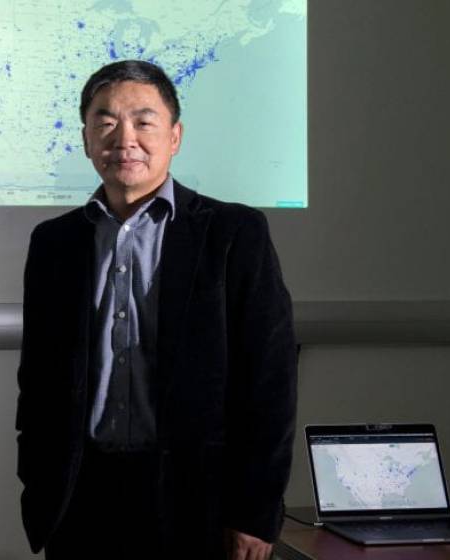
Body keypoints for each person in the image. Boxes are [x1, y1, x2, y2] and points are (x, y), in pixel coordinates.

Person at [16, 59, 297, 560]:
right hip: (83, 500)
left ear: (175, 136)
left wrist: (256, 511)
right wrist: (37, 487)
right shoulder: (54, 243)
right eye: (105, 121)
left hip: (198, 504)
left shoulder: (234, 234)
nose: (124, 138)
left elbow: (269, 384)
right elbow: (37, 384)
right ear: (85, 138)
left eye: (144, 121)